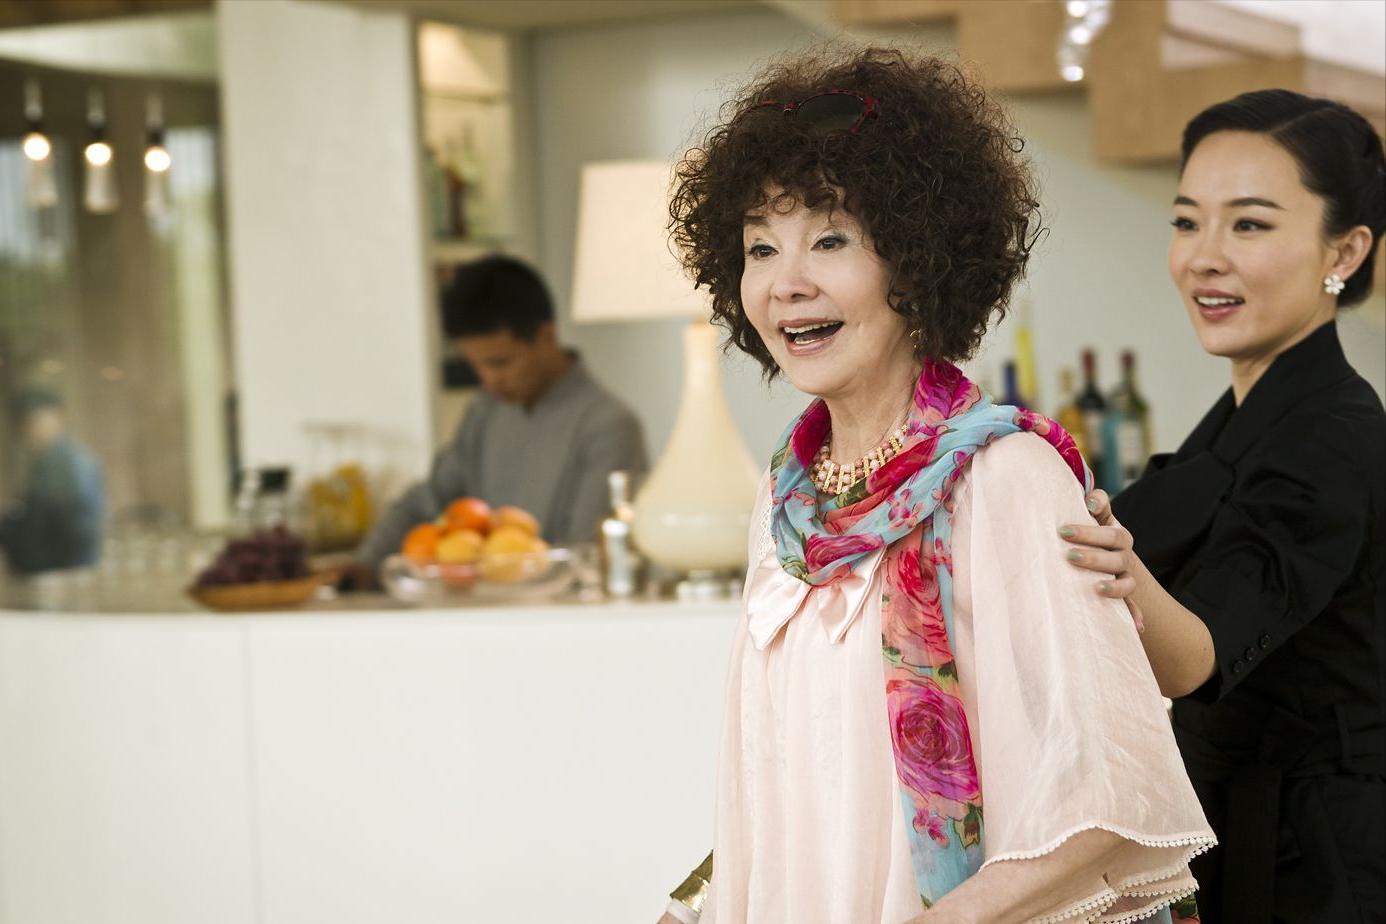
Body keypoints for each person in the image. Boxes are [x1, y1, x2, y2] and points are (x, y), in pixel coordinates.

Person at [659, 47, 1214, 924]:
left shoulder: (1007, 478)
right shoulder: (787, 506)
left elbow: (1114, 789)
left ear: (915, 263)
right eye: (760, 246)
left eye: (832, 240)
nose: (787, 282)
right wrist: (704, 903)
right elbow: (810, 780)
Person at [1060, 89, 1386, 923]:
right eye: (1185, 222)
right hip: (1229, 831)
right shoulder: (1243, 417)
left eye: (1248, 224)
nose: (1203, 257)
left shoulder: (1332, 433)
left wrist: (1120, 571)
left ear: (1343, 250)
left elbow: (1194, 655)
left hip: (1319, 864)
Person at [351, 255, 647, 582]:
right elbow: (429, 501)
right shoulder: (483, 413)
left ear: (546, 336)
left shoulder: (608, 425)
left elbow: (588, 557)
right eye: (476, 365)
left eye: (500, 362)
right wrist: (364, 564)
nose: (488, 380)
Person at [0, 387, 105, 575]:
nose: (31, 428)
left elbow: (75, 529)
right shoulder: (45, 461)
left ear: (57, 417)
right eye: (25, 422)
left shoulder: (72, 462)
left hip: (64, 570)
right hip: (50, 569)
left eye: (37, 419)